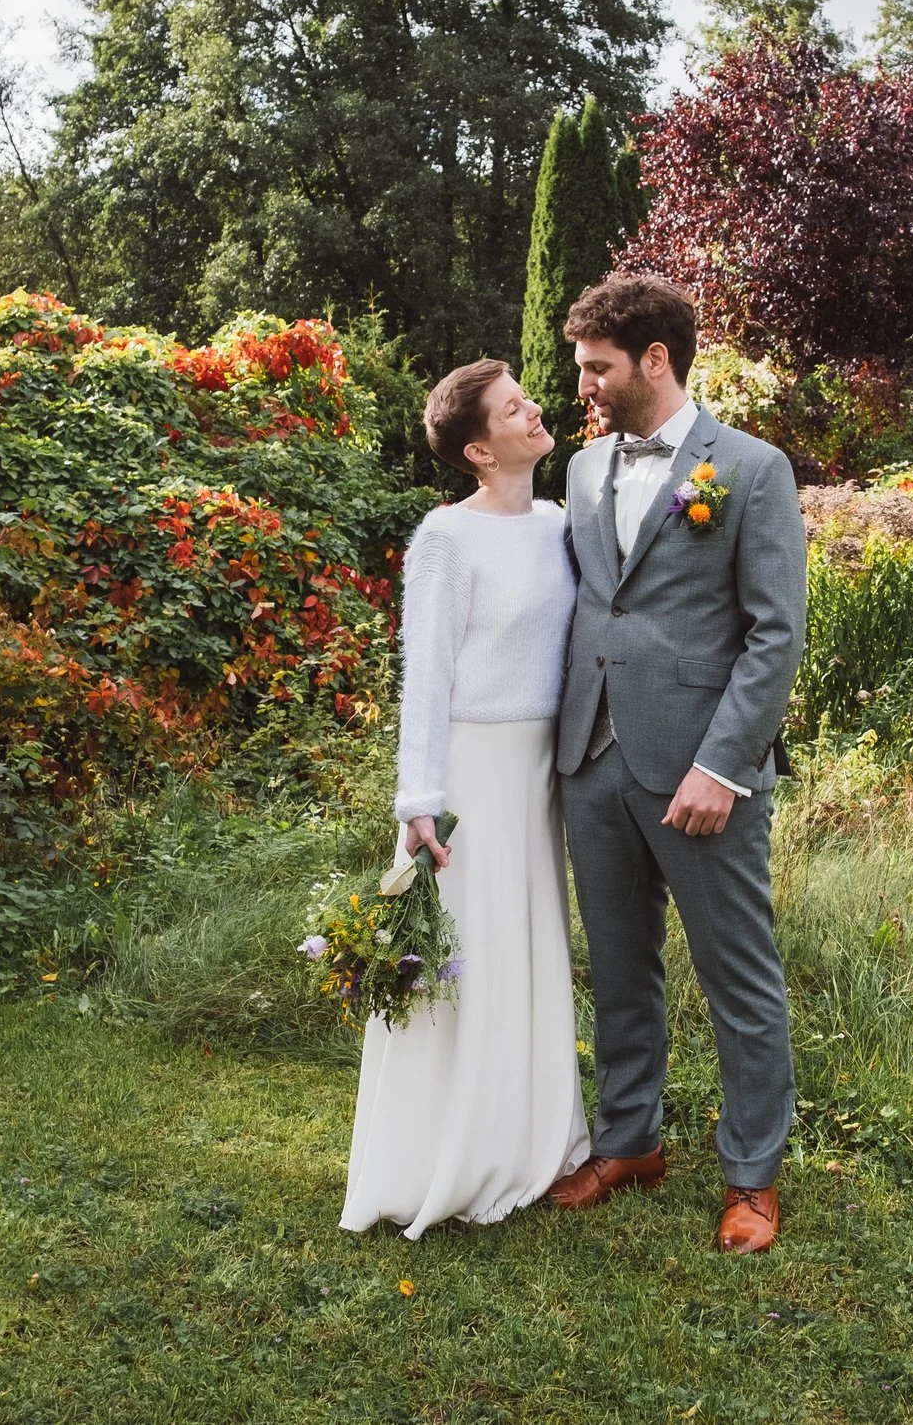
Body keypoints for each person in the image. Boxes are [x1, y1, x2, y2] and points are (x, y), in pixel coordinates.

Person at [543, 275, 808, 1254]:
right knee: (617, 968)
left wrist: (724, 764)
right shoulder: (577, 471)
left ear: (654, 359)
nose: (583, 383)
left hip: (701, 770)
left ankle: (751, 1175)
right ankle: (628, 1141)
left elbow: (775, 635)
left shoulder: (749, 467)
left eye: (596, 366)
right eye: (582, 366)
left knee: (737, 975)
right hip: (593, 757)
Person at [339, 359, 592, 1239]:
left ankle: (536, 1133)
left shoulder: (563, 522)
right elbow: (428, 674)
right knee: (467, 953)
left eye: (527, 396)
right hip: (472, 771)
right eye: (513, 407)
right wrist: (420, 797)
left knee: (529, 943)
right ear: (481, 448)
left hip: (542, 771)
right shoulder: (446, 537)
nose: (534, 409)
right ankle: (450, 1145)